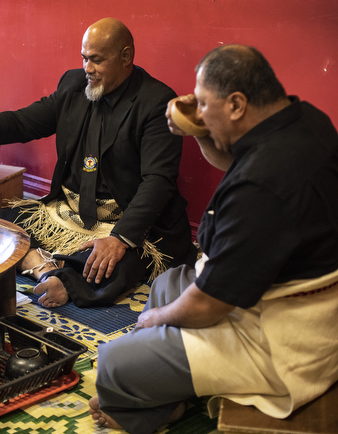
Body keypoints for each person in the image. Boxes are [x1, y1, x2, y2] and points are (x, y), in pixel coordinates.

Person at [87, 45, 338, 434]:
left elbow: (208, 306)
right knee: (169, 283)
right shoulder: (305, 120)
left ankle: (154, 403)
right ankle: (163, 392)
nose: (197, 111)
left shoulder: (261, 184)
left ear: (237, 104)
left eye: (204, 103)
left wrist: (153, 320)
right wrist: (199, 129)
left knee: (114, 364)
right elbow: (230, 158)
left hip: (285, 339)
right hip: (282, 293)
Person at [0, 18, 195, 308]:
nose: (87, 68)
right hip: (68, 212)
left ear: (126, 57)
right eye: (84, 58)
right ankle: (45, 269)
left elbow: (158, 181)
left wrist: (120, 238)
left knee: (111, 265)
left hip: (125, 220)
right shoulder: (74, 84)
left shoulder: (156, 102)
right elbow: (24, 122)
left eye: (96, 60)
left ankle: (61, 276)